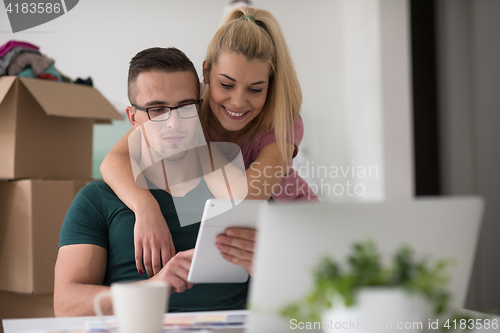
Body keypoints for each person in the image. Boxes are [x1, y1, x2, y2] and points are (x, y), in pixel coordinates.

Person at [100, 6, 318, 279]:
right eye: (226, 85)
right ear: (206, 73)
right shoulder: (187, 105)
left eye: (255, 89)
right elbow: (113, 160)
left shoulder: (281, 121)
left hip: (285, 214)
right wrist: (146, 208)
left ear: (270, 86)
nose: (238, 102)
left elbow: (241, 201)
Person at [54, 47, 255, 317]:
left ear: (200, 108)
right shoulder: (97, 200)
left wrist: (268, 268)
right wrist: (152, 289)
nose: (173, 124)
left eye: (185, 107)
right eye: (157, 109)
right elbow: (66, 305)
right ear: (132, 117)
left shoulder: (246, 193)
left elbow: (303, 292)